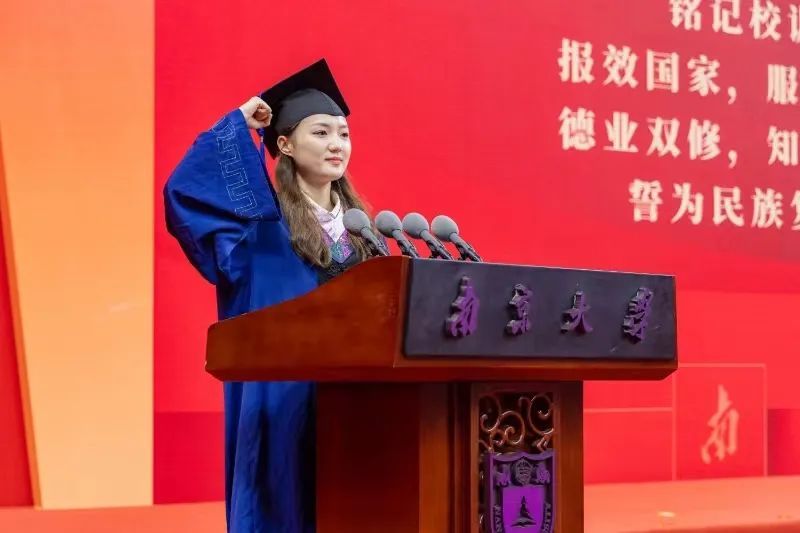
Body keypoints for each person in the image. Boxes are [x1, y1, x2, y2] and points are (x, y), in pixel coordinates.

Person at [164, 59, 375, 532]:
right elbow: (184, 192)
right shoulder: (256, 231)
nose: (337, 144)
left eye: (343, 134)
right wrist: (238, 124)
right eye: (320, 133)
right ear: (285, 144)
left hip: (352, 402)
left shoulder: (364, 232)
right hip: (283, 402)